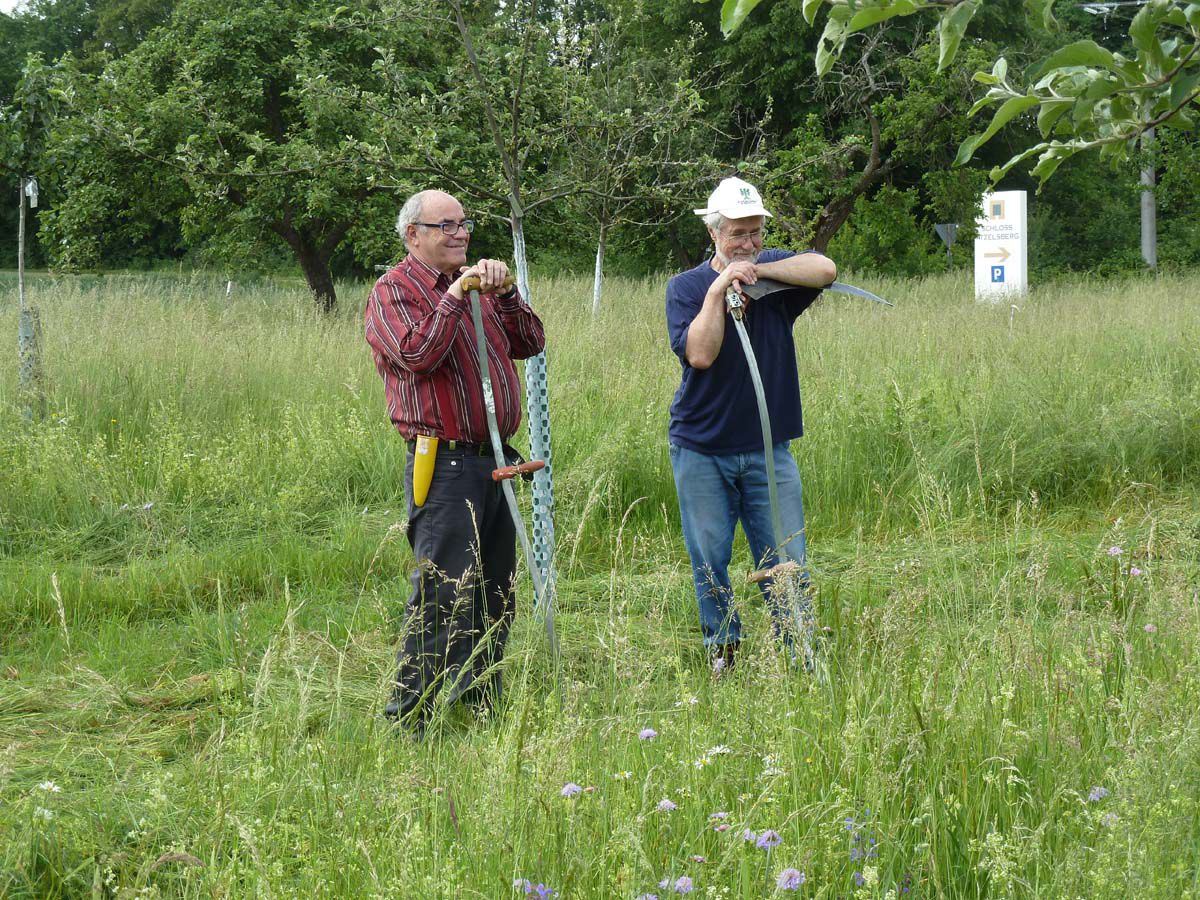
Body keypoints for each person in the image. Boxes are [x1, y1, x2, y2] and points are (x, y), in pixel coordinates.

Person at [365, 189, 545, 733]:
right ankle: (408, 717)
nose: (460, 233)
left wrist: (507, 293)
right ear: (412, 234)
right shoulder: (393, 292)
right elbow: (417, 353)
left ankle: (478, 704)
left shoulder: (482, 290)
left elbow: (531, 341)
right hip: (441, 462)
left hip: (494, 459)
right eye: (445, 225)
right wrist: (455, 295)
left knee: (496, 591)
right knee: (443, 590)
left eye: (464, 224)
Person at [665, 176, 836, 671]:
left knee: (787, 556)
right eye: (738, 233)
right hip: (702, 447)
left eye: (756, 231)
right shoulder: (687, 287)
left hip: (768, 448)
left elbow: (825, 268)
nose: (749, 243)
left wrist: (759, 270)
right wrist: (720, 289)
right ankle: (723, 654)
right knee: (710, 557)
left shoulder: (774, 271)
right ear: (714, 233)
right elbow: (700, 354)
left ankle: (801, 651)